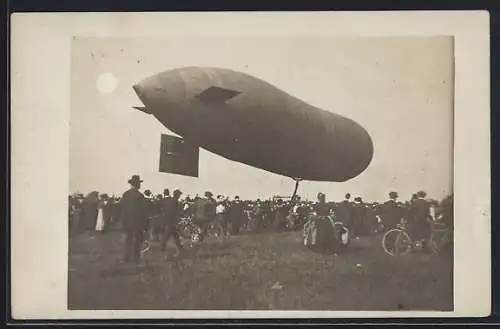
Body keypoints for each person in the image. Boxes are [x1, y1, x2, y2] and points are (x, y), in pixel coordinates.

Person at [119, 175, 148, 264]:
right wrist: (145, 225)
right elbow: (143, 212)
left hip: (126, 222)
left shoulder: (125, 194)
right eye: (139, 183)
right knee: (137, 241)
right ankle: (136, 258)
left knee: (126, 241)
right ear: (137, 184)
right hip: (137, 223)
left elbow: (121, 208)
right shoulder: (140, 196)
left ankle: (125, 258)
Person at [160, 189, 183, 256]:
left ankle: (179, 246)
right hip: (171, 220)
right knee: (168, 234)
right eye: (179, 195)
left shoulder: (169, 200)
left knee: (175, 235)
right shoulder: (175, 201)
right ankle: (162, 247)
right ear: (177, 195)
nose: (179, 196)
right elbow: (175, 212)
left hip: (168, 219)